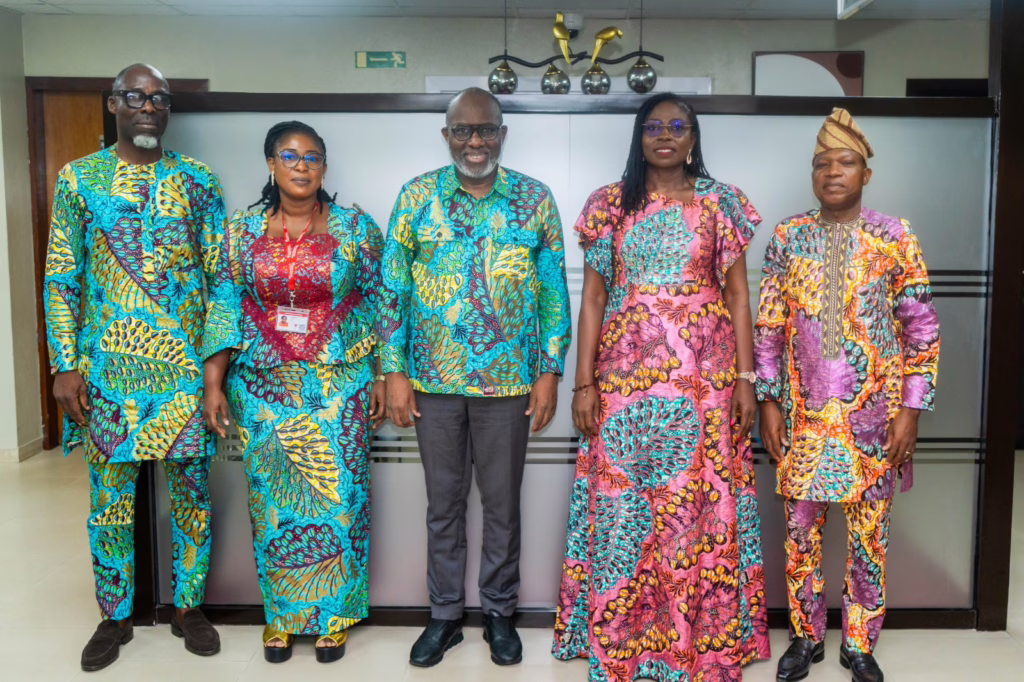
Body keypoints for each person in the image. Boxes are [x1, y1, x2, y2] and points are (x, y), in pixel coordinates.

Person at [552, 92, 772, 682]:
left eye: (678, 125)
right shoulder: (609, 204)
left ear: (694, 136)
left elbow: (739, 296)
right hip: (626, 381)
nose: (666, 135)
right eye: (654, 126)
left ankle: (703, 640)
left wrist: (748, 380)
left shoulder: (722, 202)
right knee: (630, 504)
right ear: (639, 137)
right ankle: (625, 634)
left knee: (697, 503)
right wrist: (583, 384)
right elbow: (594, 297)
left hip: (707, 379)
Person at [379, 87, 572, 668]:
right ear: (446, 137)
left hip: (509, 382)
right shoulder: (416, 197)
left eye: (486, 130)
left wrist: (549, 371)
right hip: (432, 383)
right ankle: (443, 616)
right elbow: (393, 289)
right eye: (463, 131)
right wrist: (393, 371)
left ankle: (498, 614)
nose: (476, 141)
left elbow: (553, 293)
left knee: (502, 505)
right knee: (443, 505)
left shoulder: (534, 200)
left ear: (503, 134)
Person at [43, 63, 222, 672]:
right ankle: (114, 615)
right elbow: (61, 276)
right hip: (108, 375)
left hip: (183, 375)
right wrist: (64, 364)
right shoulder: (79, 180)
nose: (148, 106)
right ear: (113, 104)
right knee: (111, 502)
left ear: (168, 109)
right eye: (135, 96)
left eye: (159, 98)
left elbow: (221, 283)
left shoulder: (197, 181)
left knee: (193, 496)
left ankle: (189, 607)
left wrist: (215, 370)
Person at [755, 108, 940, 682]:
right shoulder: (788, 236)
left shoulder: (894, 235)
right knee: (800, 537)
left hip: (874, 422)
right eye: (821, 164)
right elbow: (768, 327)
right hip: (806, 421)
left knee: (869, 538)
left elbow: (922, 328)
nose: (832, 172)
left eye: (845, 162)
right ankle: (806, 639)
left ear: (865, 172)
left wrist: (911, 411)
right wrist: (768, 402)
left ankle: (859, 642)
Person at [202, 121, 392, 663]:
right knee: (273, 500)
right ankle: (280, 618)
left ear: (325, 168)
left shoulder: (357, 228)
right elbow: (224, 304)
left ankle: (335, 616)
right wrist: (214, 382)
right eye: (290, 155)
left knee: (340, 497)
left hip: (341, 385)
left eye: (313, 157)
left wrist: (382, 374)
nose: (302, 165)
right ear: (270, 164)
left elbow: (381, 302)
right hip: (264, 386)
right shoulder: (240, 232)